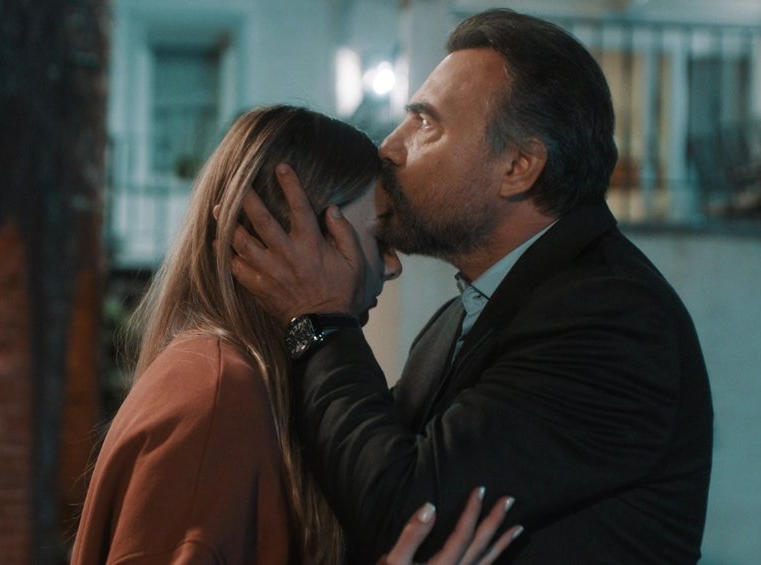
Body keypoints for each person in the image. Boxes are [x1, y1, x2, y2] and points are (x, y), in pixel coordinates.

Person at [230, 10, 714, 564]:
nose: (389, 147)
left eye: (425, 123)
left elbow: (407, 511)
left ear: (518, 167)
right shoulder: (463, 315)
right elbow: (359, 475)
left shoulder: (611, 320)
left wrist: (319, 321)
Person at [70, 105, 522, 565]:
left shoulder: (232, 377)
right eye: (380, 239)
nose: (392, 267)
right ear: (295, 240)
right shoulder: (219, 392)